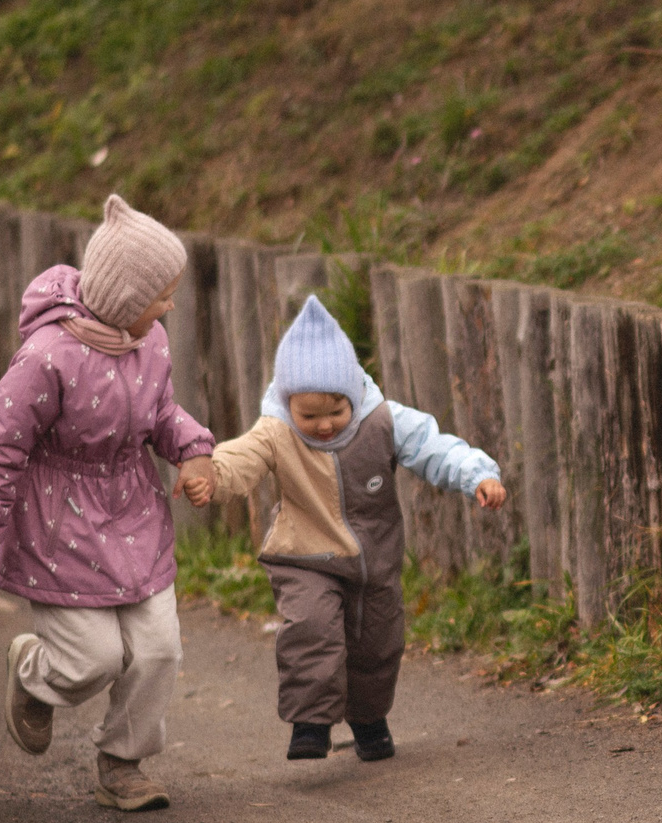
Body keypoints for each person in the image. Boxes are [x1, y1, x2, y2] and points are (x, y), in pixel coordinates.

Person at [0, 194, 217, 812]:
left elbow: (161, 413)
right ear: (123, 300)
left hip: (134, 511)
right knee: (92, 659)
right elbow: (2, 443)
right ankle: (33, 673)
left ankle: (122, 762)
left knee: (157, 649)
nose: (170, 305)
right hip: (59, 523)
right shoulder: (47, 357)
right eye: (161, 295)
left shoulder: (151, 344)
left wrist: (193, 452)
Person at [195, 293, 503, 763]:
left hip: (373, 558)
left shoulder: (382, 421)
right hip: (306, 555)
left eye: (335, 411)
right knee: (312, 629)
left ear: (354, 393)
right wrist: (212, 475)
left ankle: (368, 720)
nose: (323, 425)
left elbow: (434, 447)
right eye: (309, 415)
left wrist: (477, 474)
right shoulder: (276, 431)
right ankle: (311, 722)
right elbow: (242, 458)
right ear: (287, 402)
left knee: (377, 645)